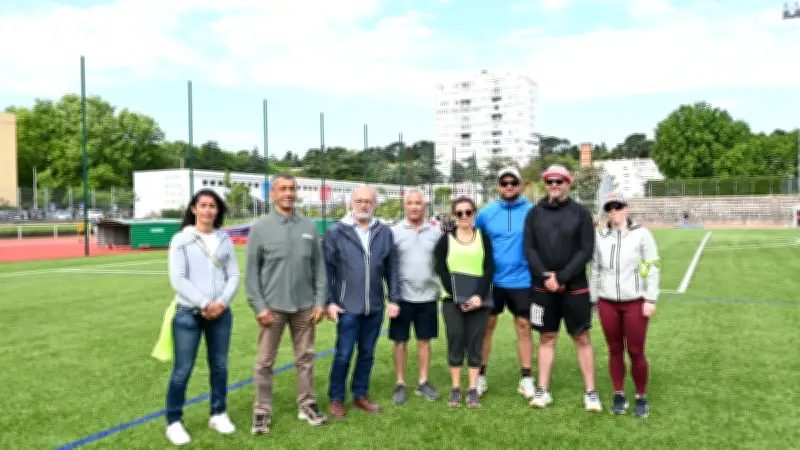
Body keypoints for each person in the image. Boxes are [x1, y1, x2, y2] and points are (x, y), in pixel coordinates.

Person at [245, 173, 328, 435]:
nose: (288, 193)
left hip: (305, 307)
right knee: (264, 362)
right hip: (272, 309)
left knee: (305, 358)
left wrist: (320, 301)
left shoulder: (309, 227)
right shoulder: (260, 228)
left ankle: (307, 404)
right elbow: (251, 273)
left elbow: (319, 269)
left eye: (292, 188)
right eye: (282, 189)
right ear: (273, 193)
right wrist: (259, 306)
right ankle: (261, 411)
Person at [523, 164, 602, 412]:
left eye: (559, 181)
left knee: (582, 338)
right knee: (547, 337)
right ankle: (543, 390)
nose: (554, 185)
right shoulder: (534, 213)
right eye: (550, 181)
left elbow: (585, 250)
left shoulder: (580, 213)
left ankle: (591, 392)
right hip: (543, 288)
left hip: (575, 288)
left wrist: (563, 277)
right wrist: (547, 276)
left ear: (569, 183)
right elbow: (529, 249)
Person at [165, 189, 240, 446]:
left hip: (221, 314)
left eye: (213, 206)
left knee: (219, 367)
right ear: (194, 209)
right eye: (203, 205)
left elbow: (233, 275)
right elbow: (178, 279)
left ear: (217, 211)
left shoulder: (224, 239)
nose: (208, 210)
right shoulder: (181, 239)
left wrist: (221, 303)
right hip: (188, 314)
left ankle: (218, 413)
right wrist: (206, 303)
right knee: (182, 370)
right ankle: (174, 421)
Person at [323, 185, 401, 420]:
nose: (363, 205)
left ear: (375, 204)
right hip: (347, 308)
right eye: (359, 201)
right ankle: (336, 399)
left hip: (375, 307)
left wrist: (394, 298)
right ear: (351, 203)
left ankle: (360, 395)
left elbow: (392, 269)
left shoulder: (384, 232)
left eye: (368, 201)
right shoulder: (336, 231)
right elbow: (326, 270)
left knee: (367, 353)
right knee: (343, 355)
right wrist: (329, 301)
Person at [590, 191, 660, 418]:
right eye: (609, 208)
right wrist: (594, 299)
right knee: (614, 350)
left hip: (635, 302)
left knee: (636, 351)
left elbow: (651, 266)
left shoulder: (642, 235)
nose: (613, 211)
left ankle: (641, 396)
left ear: (626, 208)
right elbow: (596, 269)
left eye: (617, 206)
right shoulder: (600, 235)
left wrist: (650, 298)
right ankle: (618, 394)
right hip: (607, 302)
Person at [474, 166, 536, 399]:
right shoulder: (486, 213)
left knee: (523, 327)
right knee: (487, 327)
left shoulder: (533, 211)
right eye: (504, 183)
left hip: (523, 280)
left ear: (520, 185)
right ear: (498, 186)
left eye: (513, 182)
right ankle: (479, 376)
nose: (509, 186)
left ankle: (527, 378)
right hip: (493, 281)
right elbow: (474, 243)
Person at [434, 197, 495, 409]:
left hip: (479, 300)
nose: (464, 217)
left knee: (476, 342)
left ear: (474, 214)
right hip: (452, 300)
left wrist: (478, 295)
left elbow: (489, 268)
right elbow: (441, 269)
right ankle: (455, 389)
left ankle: (472, 389)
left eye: (468, 212)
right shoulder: (446, 239)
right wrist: (457, 296)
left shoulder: (483, 237)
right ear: (454, 216)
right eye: (459, 213)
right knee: (456, 339)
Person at [389, 190, 442, 405]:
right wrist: (391, 297)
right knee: (400, 341)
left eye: (418, 203)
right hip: (402, 297)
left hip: (428, 296)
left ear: (424, 206)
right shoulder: (394, 232)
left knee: (424, 341)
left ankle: (423, 381)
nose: (414, 207)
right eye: (410, 203)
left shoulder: (436, 232)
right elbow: (389, 267)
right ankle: (400, 383)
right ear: (405, 206)